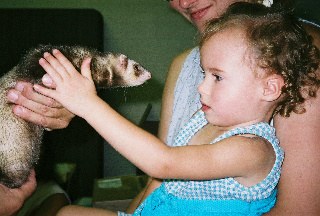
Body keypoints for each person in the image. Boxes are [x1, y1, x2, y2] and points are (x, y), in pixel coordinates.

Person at [6, 0, 320, 215]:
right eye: (204, 73)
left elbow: (163, 163)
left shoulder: (254, 149)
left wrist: (88, 104)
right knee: (64, 211)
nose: (200, 86)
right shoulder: (207, 119)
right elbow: (158, 182)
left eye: (217, 77)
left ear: (270, 87)